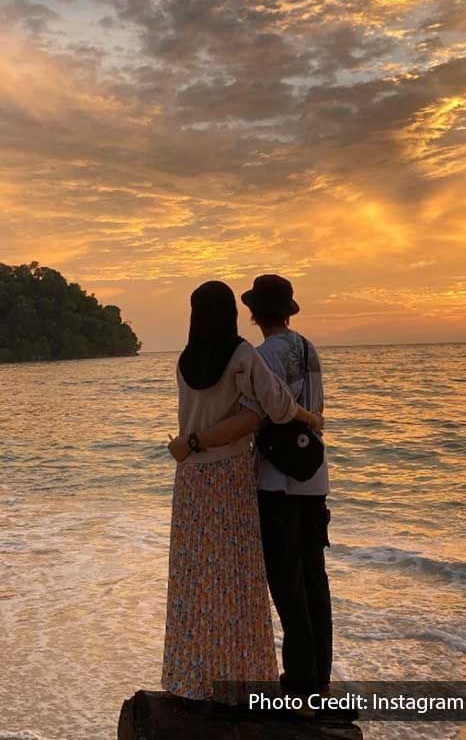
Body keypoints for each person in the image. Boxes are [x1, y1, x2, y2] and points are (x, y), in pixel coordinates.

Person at [161, 280, 324, 703]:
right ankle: (243, 680)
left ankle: (192, 677)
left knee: (195, 580)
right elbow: (277, 406)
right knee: (237, 579)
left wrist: (190, 443)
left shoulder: (184, 360)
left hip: (191, 479)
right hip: (231, 475)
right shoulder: (243, 355)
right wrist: (310, 416)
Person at [239, 274, 332, 697]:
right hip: (315, 477)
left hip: (277, 482)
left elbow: (260, 415)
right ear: (289, 312)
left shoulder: (260, 357)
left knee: (287, 585)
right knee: (315, 579)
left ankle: (298, 683)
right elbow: (315, 407)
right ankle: (319, 680)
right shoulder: (310, 349)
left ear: (255, 313)